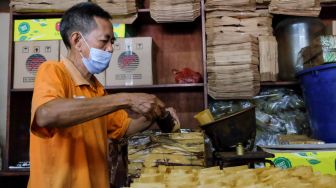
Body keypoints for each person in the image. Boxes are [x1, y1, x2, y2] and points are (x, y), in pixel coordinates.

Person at [27, 2, 175, 188]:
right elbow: (46, 115)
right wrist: (126, 99)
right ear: (77, 40)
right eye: (104, 41)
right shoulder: (52, 70)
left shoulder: (97, 89)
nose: (110, 49)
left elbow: (124, 127)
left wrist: (155, 112)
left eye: (112, 42)